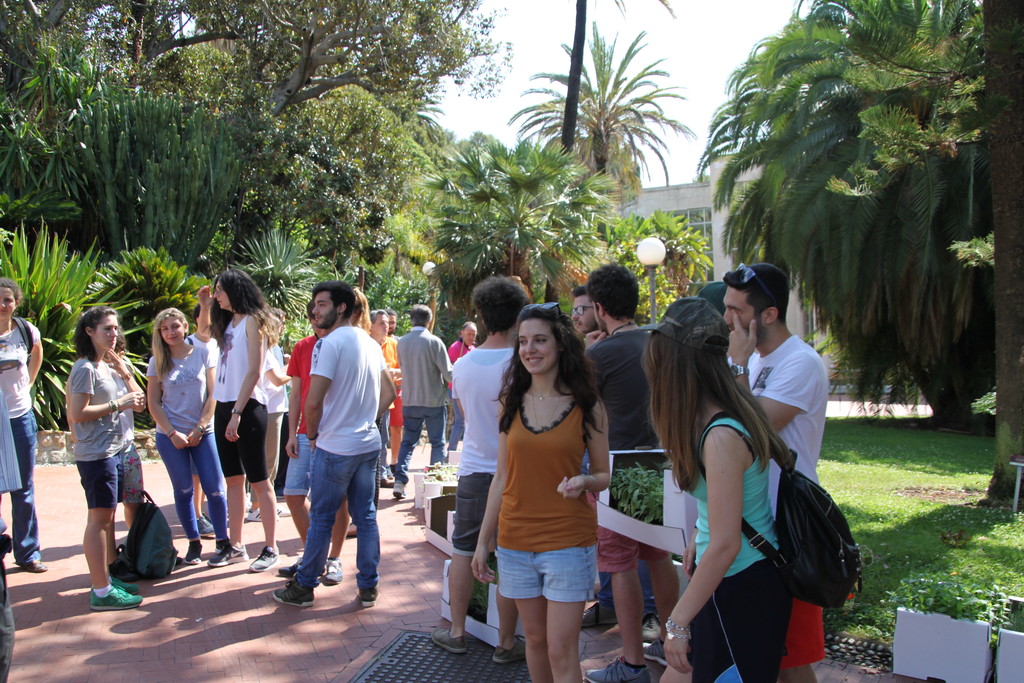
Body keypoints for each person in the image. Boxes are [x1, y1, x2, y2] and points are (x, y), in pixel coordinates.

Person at [643, 297, 792, 682]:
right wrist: (700, 531)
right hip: (721, 582)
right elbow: (724, 511)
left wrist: (677, 622)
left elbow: (727, 544)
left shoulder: (720, 436)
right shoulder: (721, 415)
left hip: (740, 590)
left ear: (678, 367)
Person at [472, 302, 610, 683]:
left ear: (561, 344)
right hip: (515, 542)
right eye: (523, 342)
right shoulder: (510, 402)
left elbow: (603, 474)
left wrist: (585, 482)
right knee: (533, 639)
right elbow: (501, 477)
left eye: (539, 340)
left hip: (568, 541)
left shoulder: (588, 405)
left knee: (561, 648)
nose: (529, 349)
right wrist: (483, 542)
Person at [723, 263, 829, 683]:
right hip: (751, 523)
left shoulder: (800, 362)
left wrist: (736, 365)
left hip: (787, 527)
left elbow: (753, 432)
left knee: (791, 658)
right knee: (760, 650)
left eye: (736, 310)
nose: (727, 319)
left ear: (769, 314)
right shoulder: (753, 360)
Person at [272, 281, 395, 608]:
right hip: (366, 443)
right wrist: (365, 418)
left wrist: (313, 436)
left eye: (322, 304)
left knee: (323, 518)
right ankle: (368, 586)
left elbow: (312, 402)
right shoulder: (371, 343)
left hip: (335, 446)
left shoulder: (328, 344)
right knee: (365, 517)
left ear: (341, 308)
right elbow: (389, 393)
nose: (315, 310)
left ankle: (304, 586)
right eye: (315, 304)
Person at [584, 264, 679, 683]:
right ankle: (672, 641)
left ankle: (633, 663)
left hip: (618, 467)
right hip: (660, 461)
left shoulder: (600, 355)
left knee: (620, 564)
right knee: (659, 556)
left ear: (600, 307)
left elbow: (578, 407)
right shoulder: (660, 343)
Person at [432, 278, 527, 664]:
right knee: (509, 556)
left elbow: (465, 416)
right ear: (518, 316)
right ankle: (506, 642)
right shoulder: (523, 362)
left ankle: (457, 632)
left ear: (482, 317)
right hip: (515, 473)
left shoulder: (464, 364)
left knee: (463, 549)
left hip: (472, 469)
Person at [66, 306, 144, 610]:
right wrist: (117, 403)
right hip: (96, 456)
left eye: (115, 328)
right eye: (106, 329)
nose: (113, 334)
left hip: (111, 451)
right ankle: (101, 591)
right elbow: (77, 413)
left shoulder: (101, 366)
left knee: (105, 519)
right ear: (89, 332)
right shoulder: (85, 368)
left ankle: (106, 581)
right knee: (99, 521)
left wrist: (124, 376)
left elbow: (138, 403)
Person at [208, 269, 279, 572]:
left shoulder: (253, 321)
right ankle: (236, 546)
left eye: (220, 290)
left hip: (247, 408)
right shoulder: (228, 323)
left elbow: (254, 370)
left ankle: (271, 547)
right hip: (224, 406)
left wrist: (237, 413)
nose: (216, 295)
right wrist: (206, 304)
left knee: (259, 480)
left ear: (235, 290)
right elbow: (203, 333)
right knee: (233, 481)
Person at [147, 308, 229, 565]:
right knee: (183, 490)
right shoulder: (156, 361)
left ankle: (223, 541)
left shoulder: (202, 354)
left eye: (175, 326)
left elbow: (213, 394)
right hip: (171, 436)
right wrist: (172, 433)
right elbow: (153, 403)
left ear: (185, 326)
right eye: (164, 329)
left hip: (203, 433)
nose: (170, 332)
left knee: (215, 489)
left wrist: (201, 427)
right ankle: (194, 542)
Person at [279, 300, 353, 584]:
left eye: (320, 312)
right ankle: (313, 554)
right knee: (293, 494)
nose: (316, 318)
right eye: (312, 315)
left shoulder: (343, 344)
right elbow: (296, 394)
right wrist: (292, 434)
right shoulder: (302, 347)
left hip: (334, 434)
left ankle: (333, 558)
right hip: (303, 433)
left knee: (337, 499)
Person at [0, 278, 46, 572]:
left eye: (7, 299)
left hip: (19, 417)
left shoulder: (26, 331)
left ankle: (28, 552)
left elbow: (37, 351)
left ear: (16, 302)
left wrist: (28, 383)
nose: (2, 305)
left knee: (23, 488)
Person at [393, 304, 452, 499]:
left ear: (411, 320)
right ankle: (434, 484)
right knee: (437, 443)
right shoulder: (435, 342)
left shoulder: (402, 342)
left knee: (408, 442)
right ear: (430, 320)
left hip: (410, 400)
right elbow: (449, 374)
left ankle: (399, 480)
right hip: (433, 401)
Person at [109, 332, 147, 533]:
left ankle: (134, 542)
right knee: (106, 506)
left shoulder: (124, 372)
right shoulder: (89, 371)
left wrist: (124, 372)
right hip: (105, 449)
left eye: (117, 353)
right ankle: (108, 549)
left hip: (127, 446)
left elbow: (140, 405)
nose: (113, 358)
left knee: (134, 501)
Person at [188, 292, 218, 539]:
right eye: (206, 315)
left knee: (210, 472)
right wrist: (205, 305)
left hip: (216, 413)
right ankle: (197, 516)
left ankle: (204, 514)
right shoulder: (189, 343)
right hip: (192, 416)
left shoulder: (218, 343)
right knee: (195, 474)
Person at [446, 321, 477, 456]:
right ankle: (451, 451)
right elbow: (450, 368)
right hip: (457, 390)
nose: (471, 337)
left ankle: (468, 450)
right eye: (469, 334)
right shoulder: (455, 347)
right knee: (460, 420)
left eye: (474, 334)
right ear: (462, 333)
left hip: (470, 390)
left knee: (469, 420)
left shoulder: (473, 349)